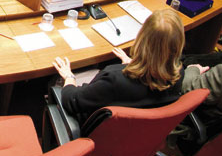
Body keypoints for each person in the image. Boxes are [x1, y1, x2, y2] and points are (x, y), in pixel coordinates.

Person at [52, 8, 185, 123]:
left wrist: (69, 77)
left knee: (54, 82)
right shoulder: (179, 73)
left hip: (99, 135)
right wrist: (134, 64)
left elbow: (72, 101)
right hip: (138, 137)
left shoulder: (115, 79)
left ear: (142, 37)